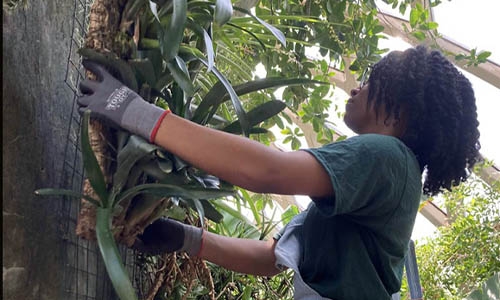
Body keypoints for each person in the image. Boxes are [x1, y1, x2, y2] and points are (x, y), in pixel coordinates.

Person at [77, 45, 480, 299]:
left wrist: (133, 111)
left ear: (400, 112)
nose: (355, 89)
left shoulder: (389, 156)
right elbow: (273, 257)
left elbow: (268, 170)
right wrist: (185, 237)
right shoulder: (377, 188)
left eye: (373, 81)